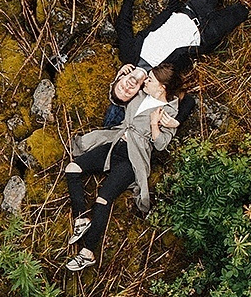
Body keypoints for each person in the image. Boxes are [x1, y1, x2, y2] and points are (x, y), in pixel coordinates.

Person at [105, 0, 251, 127]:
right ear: (135, 94)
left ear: (119, 78)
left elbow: (123, 24)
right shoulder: (156, 83)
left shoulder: (128, 54)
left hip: (192, 9)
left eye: (121, 87)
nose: (127, 87)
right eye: (128, 93)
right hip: (205, 35)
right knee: (243, 11)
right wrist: (177, 121)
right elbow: (187, 101)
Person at [63, 63, 183, 271]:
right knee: (72, 169)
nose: (146, 81)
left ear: (162, 87)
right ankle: (81, 218)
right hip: (115, 144)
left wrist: (155, 124)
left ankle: (87, 252)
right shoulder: (141, 94)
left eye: (151, 80)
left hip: (132, 158)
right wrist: (122, 75)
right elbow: (118, 97)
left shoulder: (169, 111)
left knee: (103, 198)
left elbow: (161, 145)